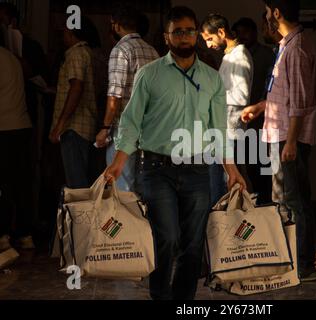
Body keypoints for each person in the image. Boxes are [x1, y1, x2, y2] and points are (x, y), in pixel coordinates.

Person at [104, 6, 246, 300]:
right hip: (157, 168)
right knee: (166, 237)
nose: (184, 36)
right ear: (166, 37)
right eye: (177, 31)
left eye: (189, 31)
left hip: (197, 170)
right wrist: (118, 162)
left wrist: (231, 169)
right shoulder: (149, 74)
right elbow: (131, 123)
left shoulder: (211, 78)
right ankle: (160, 295)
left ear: (196, 34)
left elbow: (218, 129)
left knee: (193, 244)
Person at [241, 0, 316, 280]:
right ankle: (297, 259)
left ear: (276, 13)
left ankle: (300, 262)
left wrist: (290, 142)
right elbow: (284, 94)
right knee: (287, 198)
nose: (265, 17)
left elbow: (299, 101)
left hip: (288, 137)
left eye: (267, 12)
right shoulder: (288, 44)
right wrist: (261, 107)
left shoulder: (296, 48)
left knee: (291, 200)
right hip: (282, 133)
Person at [96, 5, 159, 192]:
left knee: (121, 181)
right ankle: (140, 220)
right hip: (149, 127)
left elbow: (115, 94)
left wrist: (105, 127)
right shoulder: (152, 51)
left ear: (116, 26)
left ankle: (126, 221)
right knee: (142, 181)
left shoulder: (121, 50)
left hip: (124, 127)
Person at [201, 13, 254, 205]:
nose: (208, 45)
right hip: (224, 132)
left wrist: (211, 97)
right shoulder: (230, 56)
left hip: (231, 134)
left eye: (209, 39)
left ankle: (227, 231)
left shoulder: (239, 57)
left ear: (221, 32)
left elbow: (241, 96)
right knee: (220, 189)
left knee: (225, 190)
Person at [49, 17, 99, 189]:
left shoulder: (76, 53)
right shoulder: (88, 53)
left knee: (77, 186)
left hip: (74, 128)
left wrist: (60, 125)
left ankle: (80, 217)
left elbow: (76, 87)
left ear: (71, 33)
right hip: (83, 127)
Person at [232, 17, 275, 204]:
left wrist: (260, 105)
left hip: (262, 117)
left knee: (262, 166)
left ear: (255, 32)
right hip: (242, 119)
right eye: (239, 33)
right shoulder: (234, 55)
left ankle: (266, 204)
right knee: (247, 166)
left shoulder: (267, 55)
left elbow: (271, 86)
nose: (242, 36)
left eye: (246, 32)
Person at [0, 34, 35, 251]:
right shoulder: (13, 58)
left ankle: (2, 234)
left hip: (3, 128)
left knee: (2, 185)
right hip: (22, 126)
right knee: (20, 183)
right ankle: (25, 234)